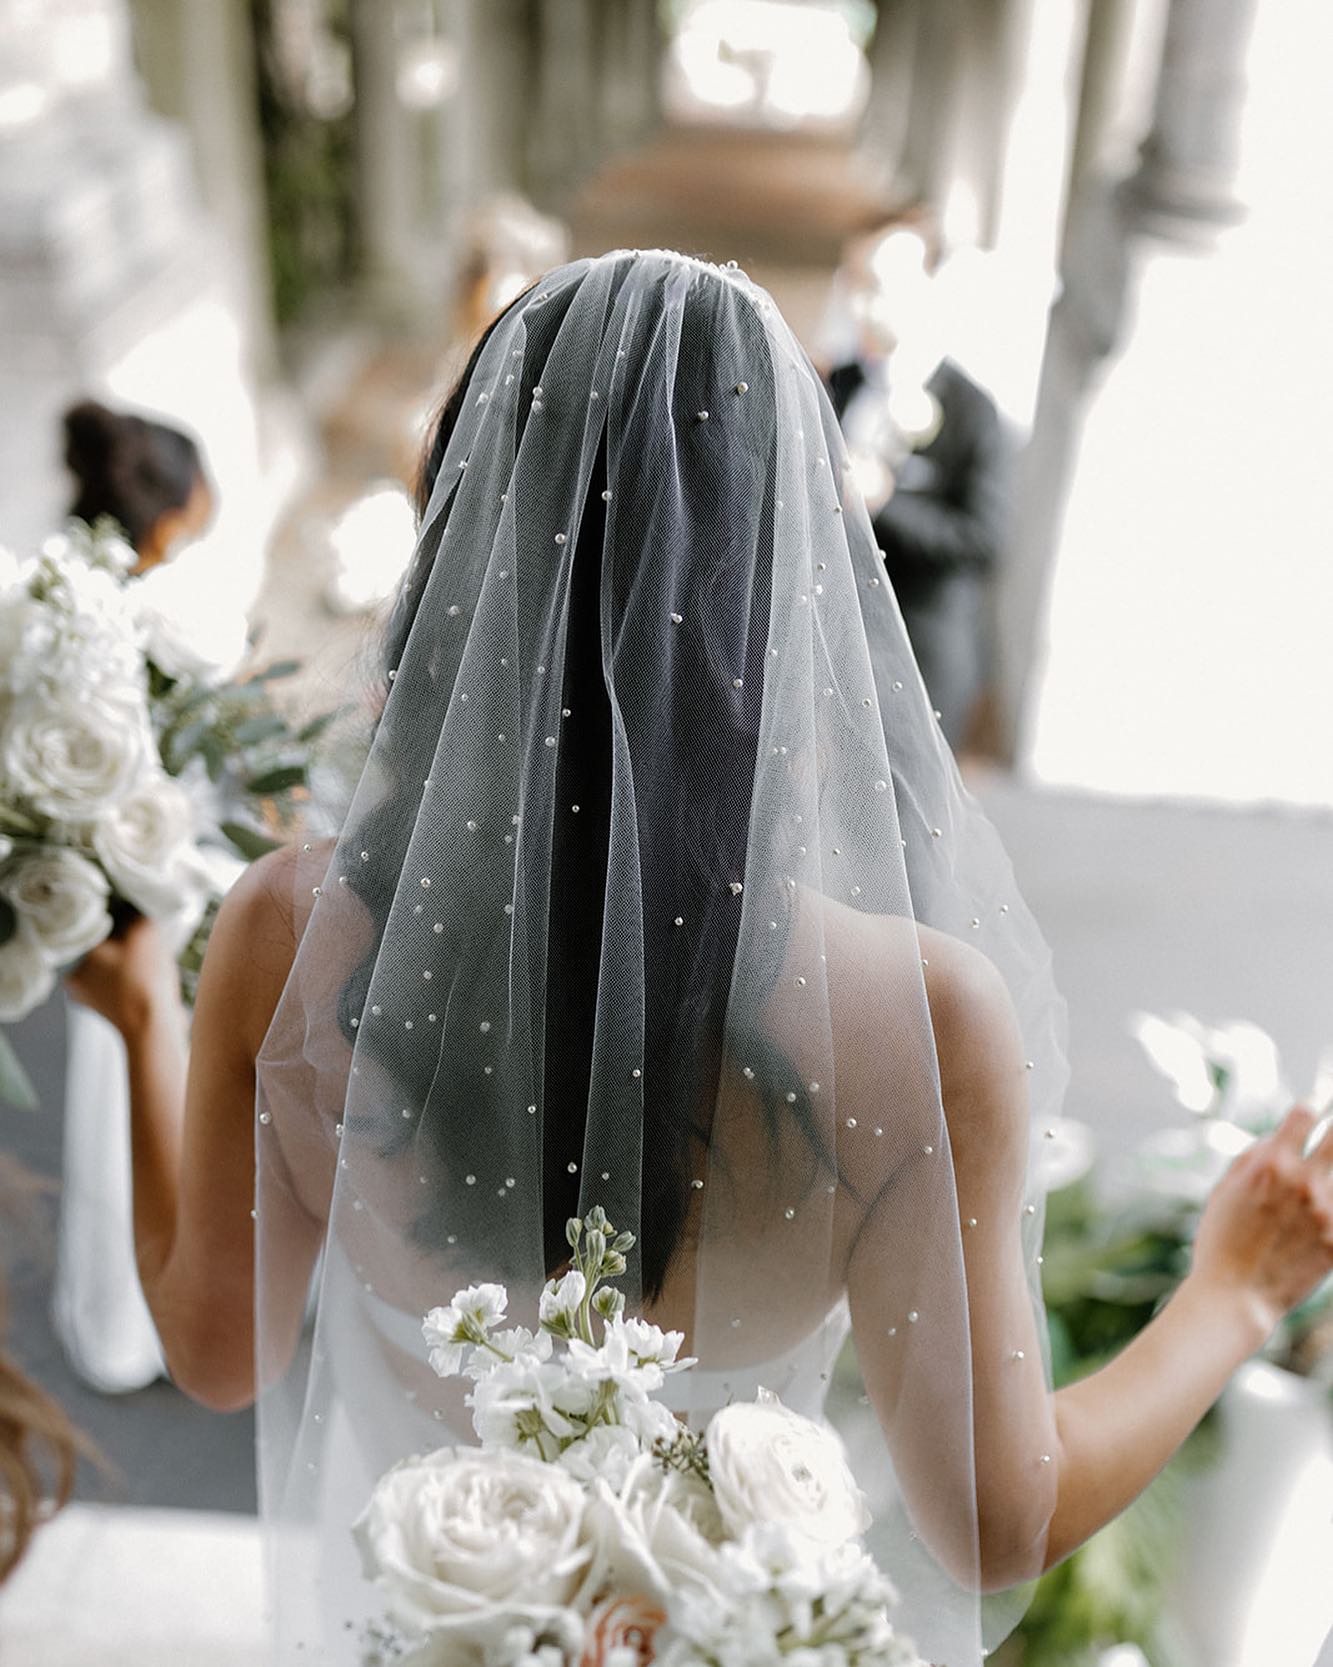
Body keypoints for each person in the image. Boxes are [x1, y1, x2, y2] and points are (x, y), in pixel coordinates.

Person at [64, 252, 1333, 1666]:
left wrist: (134, 1017)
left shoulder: (289, 933)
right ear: (784, 587)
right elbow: (994, 1513)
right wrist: (1232, 1289)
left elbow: (216, 1351)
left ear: (473, 540)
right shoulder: (916, 1023)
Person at [54, 401, 247, 1396]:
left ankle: (139, 1293)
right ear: (171, 518)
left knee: (116, 1088)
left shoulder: (61, 616)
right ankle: (166, 1293)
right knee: (174, 1077)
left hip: (116, 908)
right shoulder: (162, 631)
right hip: (157, 908)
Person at [826, 217, 1007, 749]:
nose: (865, 307)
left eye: (881, 288)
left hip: (920, 649)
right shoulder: (843, 383)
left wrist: (885, 502)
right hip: (837, 638)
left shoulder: (971, 411)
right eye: (857, 286)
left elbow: (984, 539)